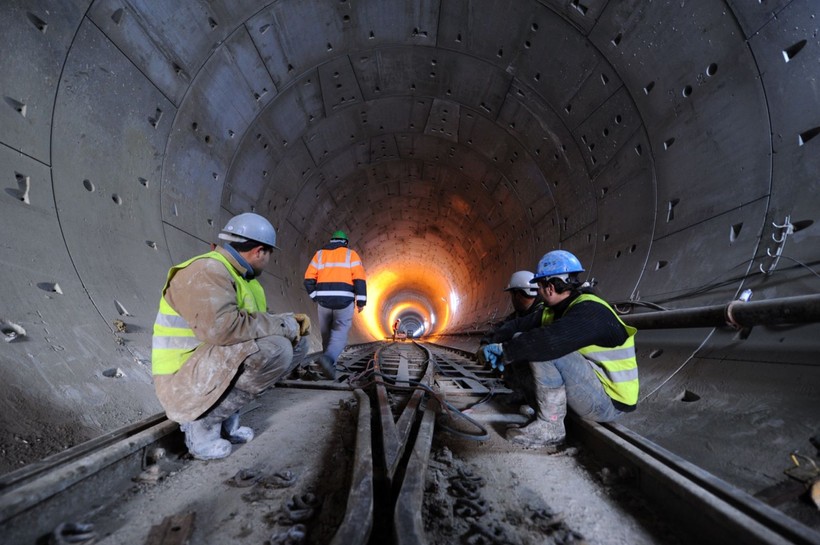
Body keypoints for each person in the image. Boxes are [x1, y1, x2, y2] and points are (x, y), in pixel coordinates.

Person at [152, 213, 312, 460]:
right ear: (259, 251)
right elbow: (222, 329)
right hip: (181, 383)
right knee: (277, 348)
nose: (268, 261)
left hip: (206, 371)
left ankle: (226, 415)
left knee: (298, 342)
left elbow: (252, 325)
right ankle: (203, 423)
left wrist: (290, 322)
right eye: (269, 255)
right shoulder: (208, 270)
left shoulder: (241, 278)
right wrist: (283, 325)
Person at [480, 250, 638, 448]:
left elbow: (547, 343)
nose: (539, 291)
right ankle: (541, 410)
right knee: (522, 340)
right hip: (589, 390)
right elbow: (517, 326)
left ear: (550, 287)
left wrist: (507, 350)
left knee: (539, 347)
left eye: (540, 286)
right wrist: (492, 343)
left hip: (608, 403)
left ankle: (550, 427)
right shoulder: (558, 309)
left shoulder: (591, 310)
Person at [304, 230, 367, 377]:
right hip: (344, 302)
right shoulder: (351, 255)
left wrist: (315, 297)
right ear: (345, 243)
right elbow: (359, 279)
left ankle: (328, 364)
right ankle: (329, 359)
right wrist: (361, 302)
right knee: (340, 332)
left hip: (324, 302)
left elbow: (308, 279)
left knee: (326, 333)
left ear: (332, 241)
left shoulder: (319, 255)